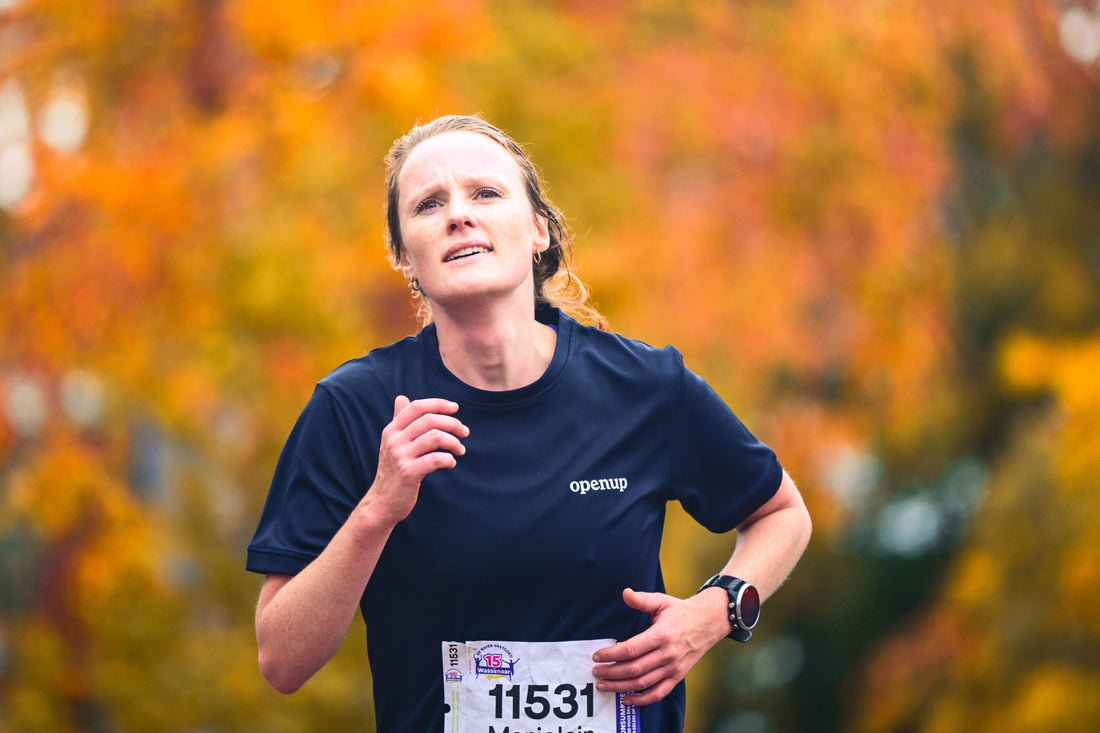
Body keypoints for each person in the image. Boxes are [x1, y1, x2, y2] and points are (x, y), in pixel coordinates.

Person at [246, 114, 812, 732]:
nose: (458, 215)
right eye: (429, 204)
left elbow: (782, 514)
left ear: (539, 229)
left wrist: (712, 613)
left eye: (486, 193)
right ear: (405, 256)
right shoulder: (354, 408)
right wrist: (377, 508)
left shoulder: (646, 386)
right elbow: (282, 661)